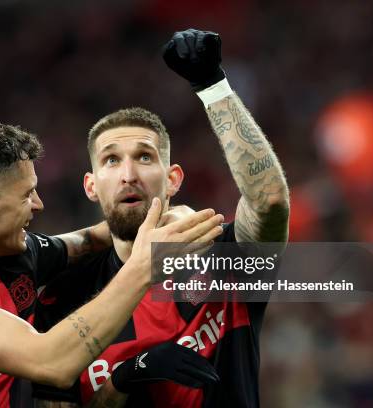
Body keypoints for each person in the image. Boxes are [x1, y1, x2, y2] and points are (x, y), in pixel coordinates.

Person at [0, 119, 222, 407]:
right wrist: (144, 268)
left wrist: (171, 217)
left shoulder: (17, 256)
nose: (39, 204)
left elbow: (101, 235)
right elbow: (51, 362)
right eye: (27, 194)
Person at [32, 28, 290, 407]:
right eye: (111, 160)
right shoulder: (61, 297)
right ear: (91, 186)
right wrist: (124, 378)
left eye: (145, 156)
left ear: (173, 180)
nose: (129, 174)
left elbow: (269, 200)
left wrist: (212, 87)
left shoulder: (224, 258)